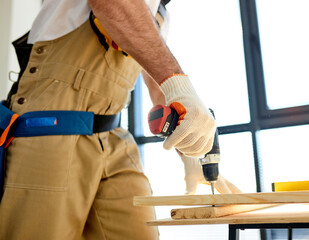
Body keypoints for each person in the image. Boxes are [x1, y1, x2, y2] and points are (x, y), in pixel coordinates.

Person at [0, 0, 240, 239]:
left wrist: (190, 152)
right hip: (51, 127)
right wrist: (177, 80)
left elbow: (160, 87)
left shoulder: (160, 14)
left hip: (112, 136)